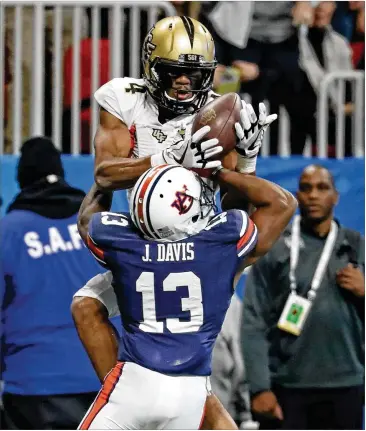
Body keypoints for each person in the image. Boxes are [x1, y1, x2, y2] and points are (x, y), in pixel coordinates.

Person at [77, 14, 277, 429]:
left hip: (200, 244)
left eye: (194, 73)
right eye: (173, 71)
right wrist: (168, 157)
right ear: (151, 66)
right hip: (147, 242)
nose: (185, 82)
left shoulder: (218, 110)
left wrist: (248, 159)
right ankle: (124, 396)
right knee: (87, 307)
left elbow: (233, 199)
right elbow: (104, 173)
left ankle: (126, 405)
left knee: (194, 368)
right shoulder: (124, 98)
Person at [73, 145, 297, 429]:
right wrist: (221, 171)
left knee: (86, 303)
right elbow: (282, 202)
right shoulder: (219, 246)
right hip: (189, 396)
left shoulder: (123, 244)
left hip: (135, 386)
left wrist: (119, 174)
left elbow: (87, 219)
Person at [241, 164, 365, 430]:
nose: (313, 195)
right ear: (297, 194)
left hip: (346, 386)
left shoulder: (356, 246)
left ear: (335, 196)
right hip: (286, 386)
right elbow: (254, 320)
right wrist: (260, 387)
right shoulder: (274, 246)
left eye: (322, 188)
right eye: (306, 188)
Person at [0, 137, 106, 429]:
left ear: (23, 179)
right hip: (104, 377)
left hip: (33, 386)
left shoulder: (8, 233)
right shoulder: (96, 227)